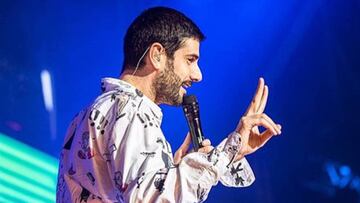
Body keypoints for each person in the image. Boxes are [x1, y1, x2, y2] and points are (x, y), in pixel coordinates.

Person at [56, 6, 282, 203]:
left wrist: (172, 174)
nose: (198, 75)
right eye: (190, 60)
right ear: (157, 55)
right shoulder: (131, 110)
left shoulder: (91, 112)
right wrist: (229, 149)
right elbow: (150, 199)